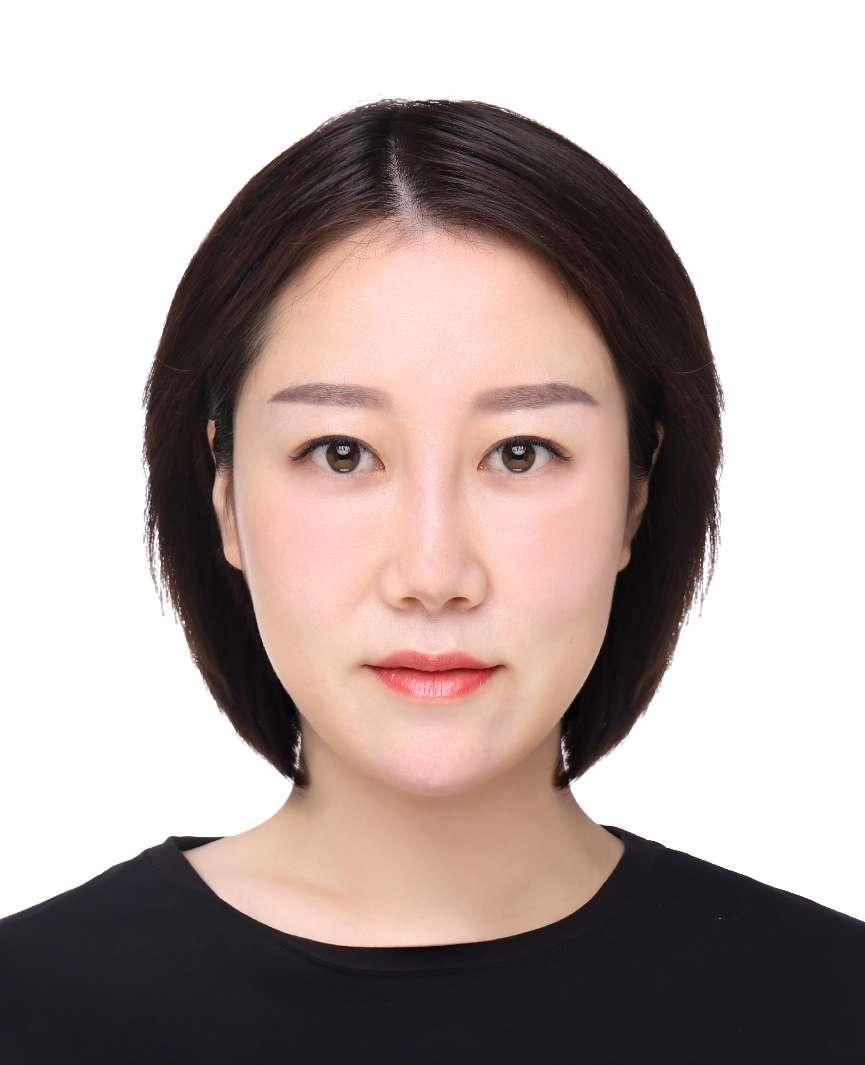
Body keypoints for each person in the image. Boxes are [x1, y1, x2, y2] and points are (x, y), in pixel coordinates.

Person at [1, 98, 862, 1063]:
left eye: (522, 452)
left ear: (636, 492)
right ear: (225, 494)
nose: (433, 573)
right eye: (340, 452)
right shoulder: (29, 1008)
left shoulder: (830, 1004)